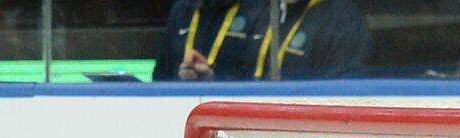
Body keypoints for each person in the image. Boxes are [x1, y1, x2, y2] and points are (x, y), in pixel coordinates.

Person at [153, 0, 370, 81]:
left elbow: (345, 92)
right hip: (257, 134)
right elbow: (247, 77)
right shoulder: (261, 11)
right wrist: (212, 80)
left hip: (303, 137)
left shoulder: (343, 18)